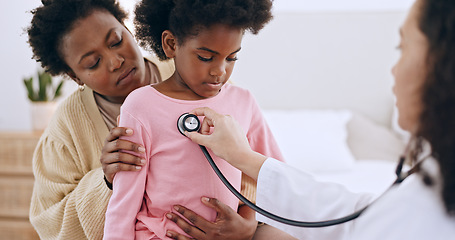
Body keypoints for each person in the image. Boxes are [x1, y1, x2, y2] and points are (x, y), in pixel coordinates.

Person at [165, 0, 455, 239]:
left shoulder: (430, 214)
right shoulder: (430, 183)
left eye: (402, 49)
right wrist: (242, 156)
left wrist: (251, 227)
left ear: (441, 64)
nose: (393, 69)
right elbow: (353, 214)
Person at [103, 0, 293, 239]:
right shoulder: (141, 106)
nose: (219, 71)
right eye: (205, 57)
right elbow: (124, 203)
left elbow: (275, 181)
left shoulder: (243, 101)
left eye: (231, 58)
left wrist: (248, 224)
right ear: (171, 44)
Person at [26, 0, 175, 239]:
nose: (116, 62)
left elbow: (247, 148)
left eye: (117, 41)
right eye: (93, 63)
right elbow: (50, 226)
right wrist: (105, 181)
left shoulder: (187, 70)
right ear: (75, 76)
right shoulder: (66, 131)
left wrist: (247, 222)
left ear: (127, 28)